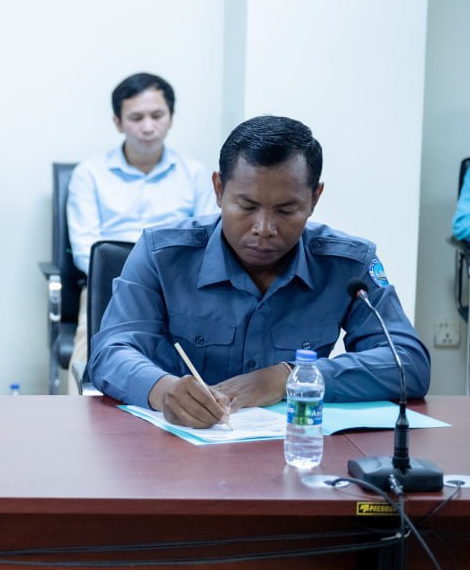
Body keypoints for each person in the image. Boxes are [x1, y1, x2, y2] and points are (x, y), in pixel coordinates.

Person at [88, 115, 430, 429]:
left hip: (294, 450)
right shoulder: (162, 254)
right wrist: (163, 390)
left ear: (314, 198)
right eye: (247, 206)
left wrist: (287, 378)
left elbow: (408, 364)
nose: (264, 228)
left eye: (286, 210)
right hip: (177, 447)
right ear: (219, 189)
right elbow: (110, 351)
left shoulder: (347, 264)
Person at [64, 72, 217, 374]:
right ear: (118, 122)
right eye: (136, 118)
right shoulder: (90, 174)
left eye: (157, 115)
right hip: (108, 286)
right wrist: (136, 277)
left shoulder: (196, 174)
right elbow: (85, 250)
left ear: (171, 117)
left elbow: (208, 242)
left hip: (179, 289)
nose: (148, 127)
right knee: (87, 362)